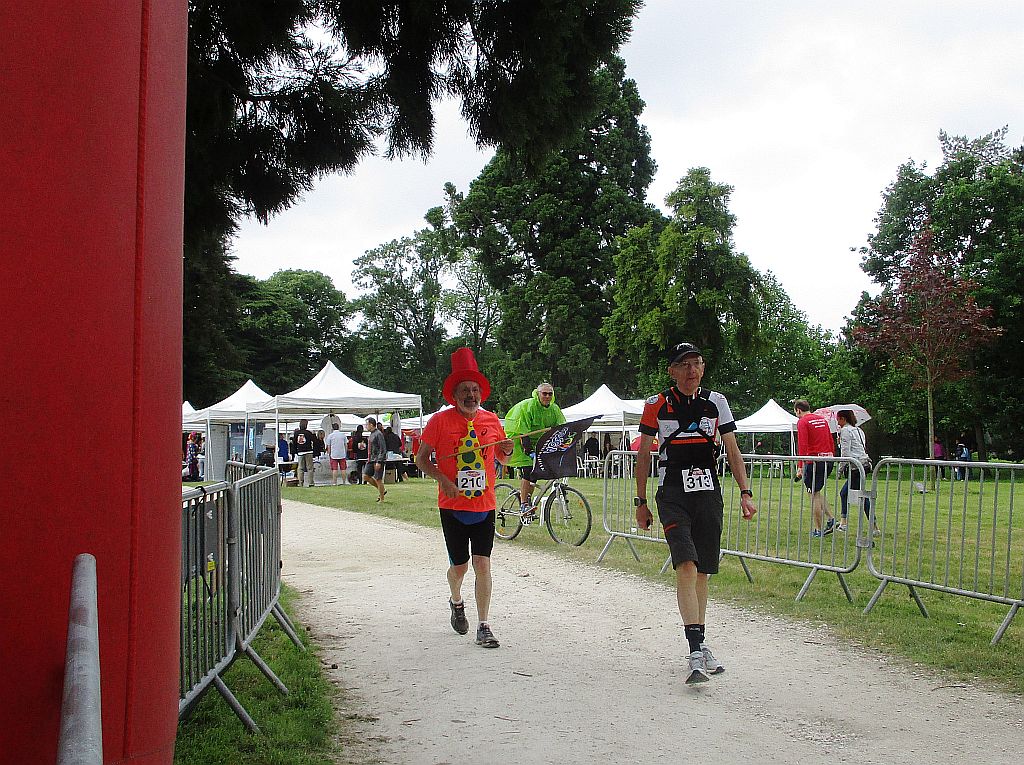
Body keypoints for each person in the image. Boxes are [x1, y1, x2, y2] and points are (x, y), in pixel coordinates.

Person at [634, 342, 756, 684]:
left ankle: (700, 645)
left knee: (702, 571)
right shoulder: (656, 405)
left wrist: (745, 492)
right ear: (672, 371)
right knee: (685, 565)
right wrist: (640, 501)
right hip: (672, 492)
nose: (692, 370)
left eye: (697, 364)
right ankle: (694, 649)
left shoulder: (716, 402)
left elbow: (732, 449)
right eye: (684, 364)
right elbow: (644, 454)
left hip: (708, 492)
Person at [415, 347, 513, 649]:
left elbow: (502, 458)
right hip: (453, 505)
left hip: (484, 505)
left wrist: (507, 450)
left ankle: (484, 625)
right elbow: (420, 459)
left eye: (475, 390)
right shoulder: (439, 421)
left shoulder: (491, 420)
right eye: (465, 390)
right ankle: (456, 600)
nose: (471, 395)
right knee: (460, 567)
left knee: (482, 564)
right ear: (454, 395)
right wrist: (443, 480)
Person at [503, 382, 566, 520]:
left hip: (538, 442)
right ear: (538, 394)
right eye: (544, 393)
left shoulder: (554, 409)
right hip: (520, 438)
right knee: (528, 470)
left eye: (550, 394)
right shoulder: (529, 406)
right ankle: (523, 504)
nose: (547, 396)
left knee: (535, 473)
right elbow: (522, 431)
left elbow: (561, 428)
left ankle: (528, 500)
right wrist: (528, 450)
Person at [793, 399, 836, 537]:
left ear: (798, 410)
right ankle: (831, 519)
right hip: (828, 459)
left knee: (812, 495)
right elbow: (830, 441)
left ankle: (818, 529)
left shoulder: (803, 422)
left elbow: (803, 445)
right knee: (816, 492)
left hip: (814, 462)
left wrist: (800, 466)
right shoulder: (822, 420)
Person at [836, 410, 876, 535]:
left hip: (855, 467)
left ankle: (873, 526)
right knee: (848, 493)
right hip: (864, 464)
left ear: (843, 419)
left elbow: (845, 453)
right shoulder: (859, 430)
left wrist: (840, 470)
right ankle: (844, 522)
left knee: (859, 495)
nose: (837, 423)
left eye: (838, 420)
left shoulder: (845, 431)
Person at [362, 417, 388, 501]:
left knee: (378, 479)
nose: (366, 426)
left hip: (377, 459)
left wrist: (379, 461)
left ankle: (382, 499)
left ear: (371, 424)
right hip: (371, 459)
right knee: (366, 476)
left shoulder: (378, 434)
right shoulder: (371, 434)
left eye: (366, 424)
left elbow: (382, 448)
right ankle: (382, 490)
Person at [291, 419, 316, 488]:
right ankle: (311, 482)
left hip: (300, 452)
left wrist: (295, 452)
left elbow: (294, 443)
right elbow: (314, 441)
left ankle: (300, 483)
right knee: (310, 468)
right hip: (308, 451)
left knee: (300, 468)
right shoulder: (308, 433)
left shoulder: (296, 433)